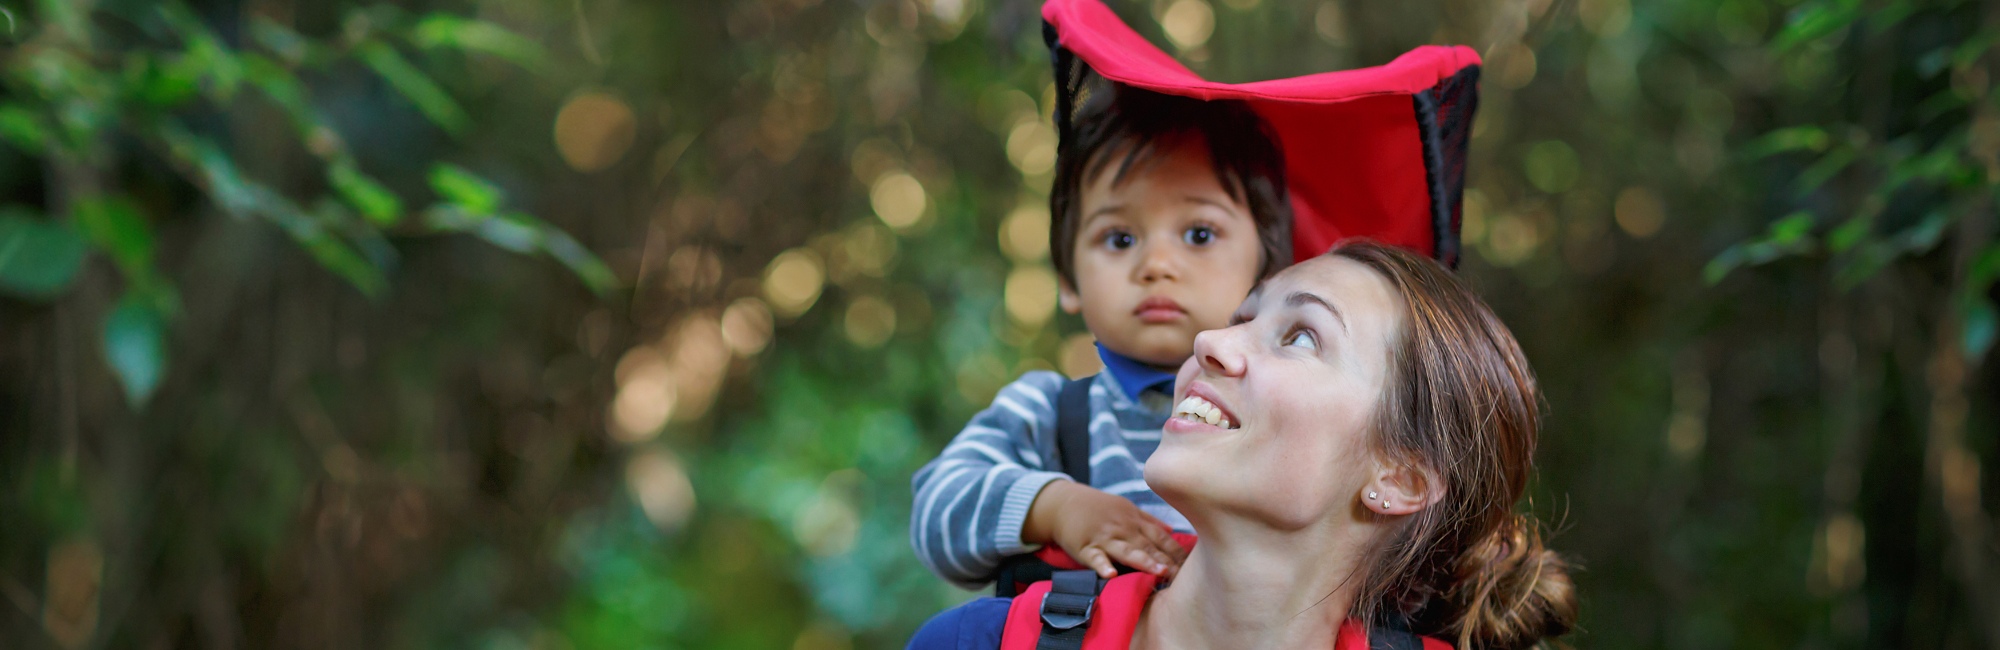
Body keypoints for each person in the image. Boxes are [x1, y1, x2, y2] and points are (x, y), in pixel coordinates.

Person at [908, 242, 1577, 649]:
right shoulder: (978, 643)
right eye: (1243, 318)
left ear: (1399, 477)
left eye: (1300, 337)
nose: (1210, 343)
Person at [909, 78, 1293, 588]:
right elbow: (938, 510)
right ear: (1069, 279)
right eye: (1119, 238)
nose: (1156, 264)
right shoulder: (1050, 414)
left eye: (1199, 234)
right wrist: (1056, 507)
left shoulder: (1289, 415)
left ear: (1267, 273)